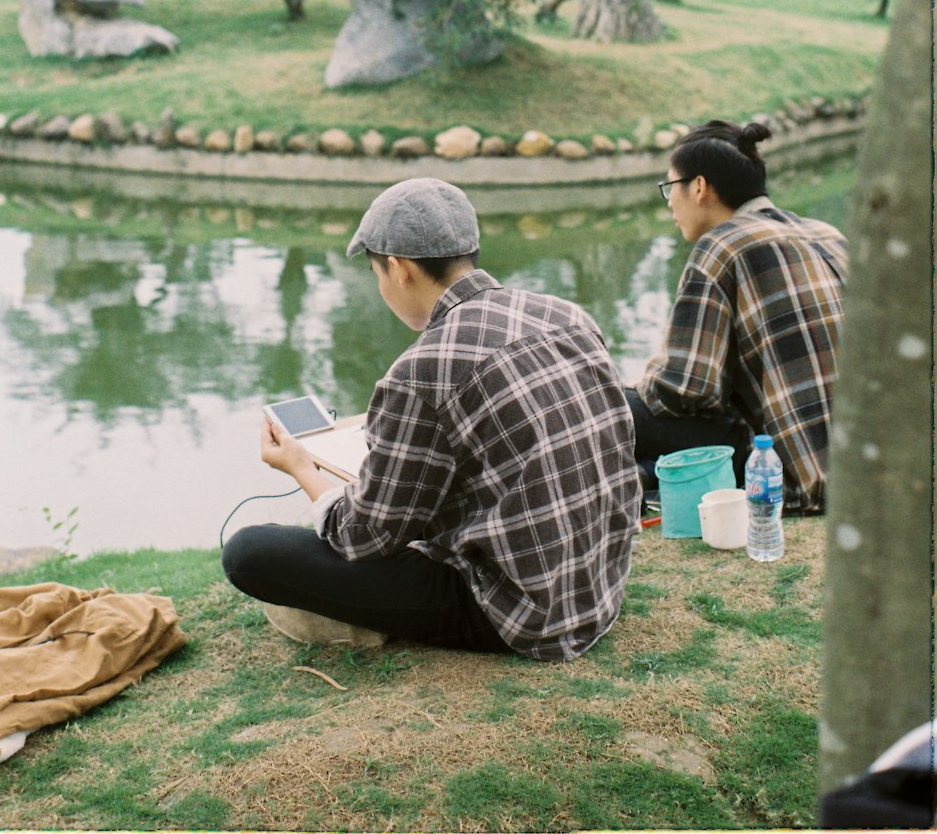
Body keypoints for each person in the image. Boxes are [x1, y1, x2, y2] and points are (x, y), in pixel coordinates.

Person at [222, 177, 640, 661]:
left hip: (519, 614)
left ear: (397, 269)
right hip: (599, 589)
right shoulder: (566, 315)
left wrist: (303, 469)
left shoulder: (421, 369)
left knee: (250, 554)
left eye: (377, 273)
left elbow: (363, 537)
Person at [627, 119, 847, 514]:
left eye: (669, 188)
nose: (669, 204)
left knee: (606, 405)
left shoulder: (723, 246)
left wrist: (638, 387)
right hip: (864, 461)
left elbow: (685, 390)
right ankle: (645, 477)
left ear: (698, 187)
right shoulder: (826, 233)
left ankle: (638, 481)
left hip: (795, 468)